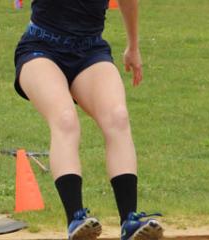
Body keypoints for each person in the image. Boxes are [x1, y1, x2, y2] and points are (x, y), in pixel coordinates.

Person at [13, 0, 164, 239]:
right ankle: (76, 219)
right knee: (65, 119)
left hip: (90, 49)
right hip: (41, 48)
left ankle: (129, 220)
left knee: (118, 117)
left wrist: (133, 47)